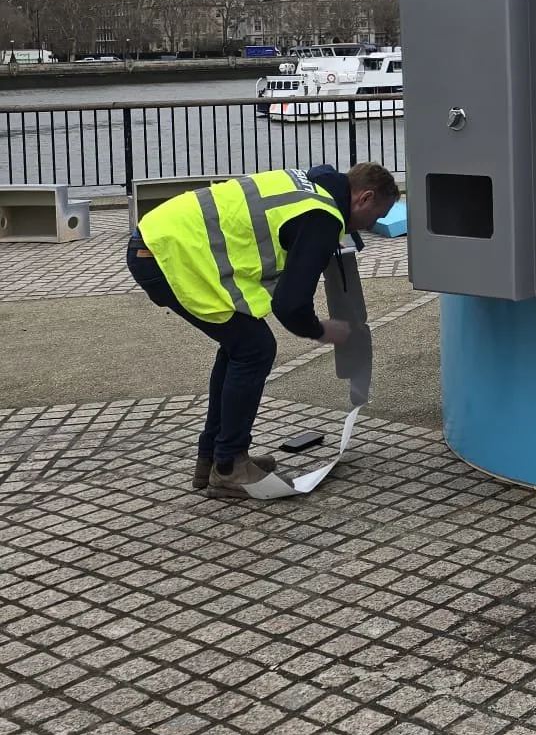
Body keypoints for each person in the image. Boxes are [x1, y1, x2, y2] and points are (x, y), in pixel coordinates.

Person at [127, 162, 400, 500]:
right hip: (168, 255)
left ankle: (215, 456)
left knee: (241, 346)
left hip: (160, 241)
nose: (373, 225)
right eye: (376, 216)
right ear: (364, 197)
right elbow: (290, 305)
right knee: (254, 349)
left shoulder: (312, 185)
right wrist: (323, 331)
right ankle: (228, 467)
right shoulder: (322, 216)